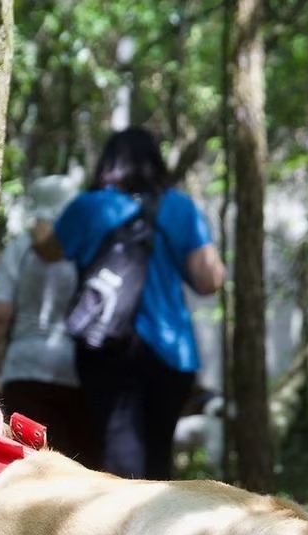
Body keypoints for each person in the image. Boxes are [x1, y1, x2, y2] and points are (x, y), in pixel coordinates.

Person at [32, 126, 225, 480]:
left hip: (104, 344)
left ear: (109, 164)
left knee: (118, 450)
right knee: (158, 455)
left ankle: (126, 531)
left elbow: (48, 251)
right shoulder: (180, 207)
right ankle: (157, 528)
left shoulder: (89, 206)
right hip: (170, 350)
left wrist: (38, 216)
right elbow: (210, 281)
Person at [0, 174, 102, 466]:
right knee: (77, 469)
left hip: (24, 369)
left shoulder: (21, 247)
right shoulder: (87, 247)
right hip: (78, 373)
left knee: (27, 465)